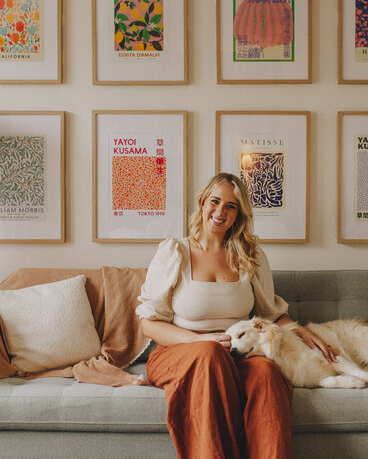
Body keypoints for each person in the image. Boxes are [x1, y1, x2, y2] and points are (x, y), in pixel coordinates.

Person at [135, 173, 337, 459]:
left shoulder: (250, 256)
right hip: (181, 354)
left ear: (239, 214)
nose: (220, 212)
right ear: (203, 203)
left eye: (231, 206)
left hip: (238, 353)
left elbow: (270, 314)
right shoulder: (174, 251)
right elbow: (149, 324)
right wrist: (199, 341)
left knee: (267, 372)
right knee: (209, 353)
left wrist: (302, 331)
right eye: (215, 202)